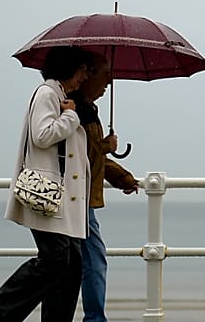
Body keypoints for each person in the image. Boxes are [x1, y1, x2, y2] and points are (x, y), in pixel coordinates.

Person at [0, 46, 94, 322]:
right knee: (56, 260)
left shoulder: (61, 96)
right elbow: (42, 135)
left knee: (70, 266)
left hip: (62, 202)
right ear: (68, 68)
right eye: (83, 71)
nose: (84, 78)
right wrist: (71, 116)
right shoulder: (48, 94)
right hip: (48, 196)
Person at [72, 53, 140, 322]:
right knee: (93, 261)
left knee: (73, 263)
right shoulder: (77, 110)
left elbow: (92, 158)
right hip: (79, 199)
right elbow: (85, 157)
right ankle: (94, 319)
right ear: (87, 75)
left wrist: (122, 177)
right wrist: (105, 147)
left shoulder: (87, 110)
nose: (109, 83)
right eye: (105, 75)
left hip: (82, 198)